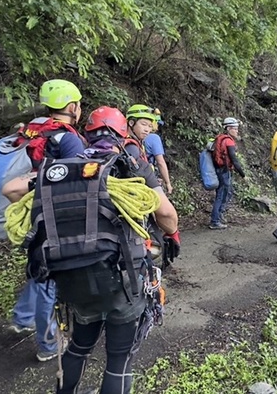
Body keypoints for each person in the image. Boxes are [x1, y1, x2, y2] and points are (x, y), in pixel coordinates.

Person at [53, 106, 173, 394]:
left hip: (77, 273)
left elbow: (16, 191)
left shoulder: (68, 168)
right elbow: (168, 217)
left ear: (87, 134)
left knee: (79, 346)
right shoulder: (132, 166)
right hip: (123, 276)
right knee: (118, 360)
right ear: (123, 132)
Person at [4, 79, 85, 362]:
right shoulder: (68, 138)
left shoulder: (33, 129)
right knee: (49, 277)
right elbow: (75, 179)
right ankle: (49, 345)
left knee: (38, 268)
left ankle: (22, 317)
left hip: (31, 208)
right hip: (52, 212)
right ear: (72, 106)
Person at [126, 104, 173, 195]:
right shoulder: (131, 146)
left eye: (150, 126)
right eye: (144, 124)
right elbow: (160, 162)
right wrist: (168, 183)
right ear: (131, 123)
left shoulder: (139, 142)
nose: (147, 129)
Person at [209, 117, 245, 230]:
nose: (237, 131)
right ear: (228, 128)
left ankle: (219, 215)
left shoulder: (220, 138)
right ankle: (215, 221)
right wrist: (243, 174)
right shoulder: (228, 141)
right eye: (235, 128)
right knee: (221, 195)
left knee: (227, 192)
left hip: (220, 170)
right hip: (224, 171)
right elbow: (234, 160)